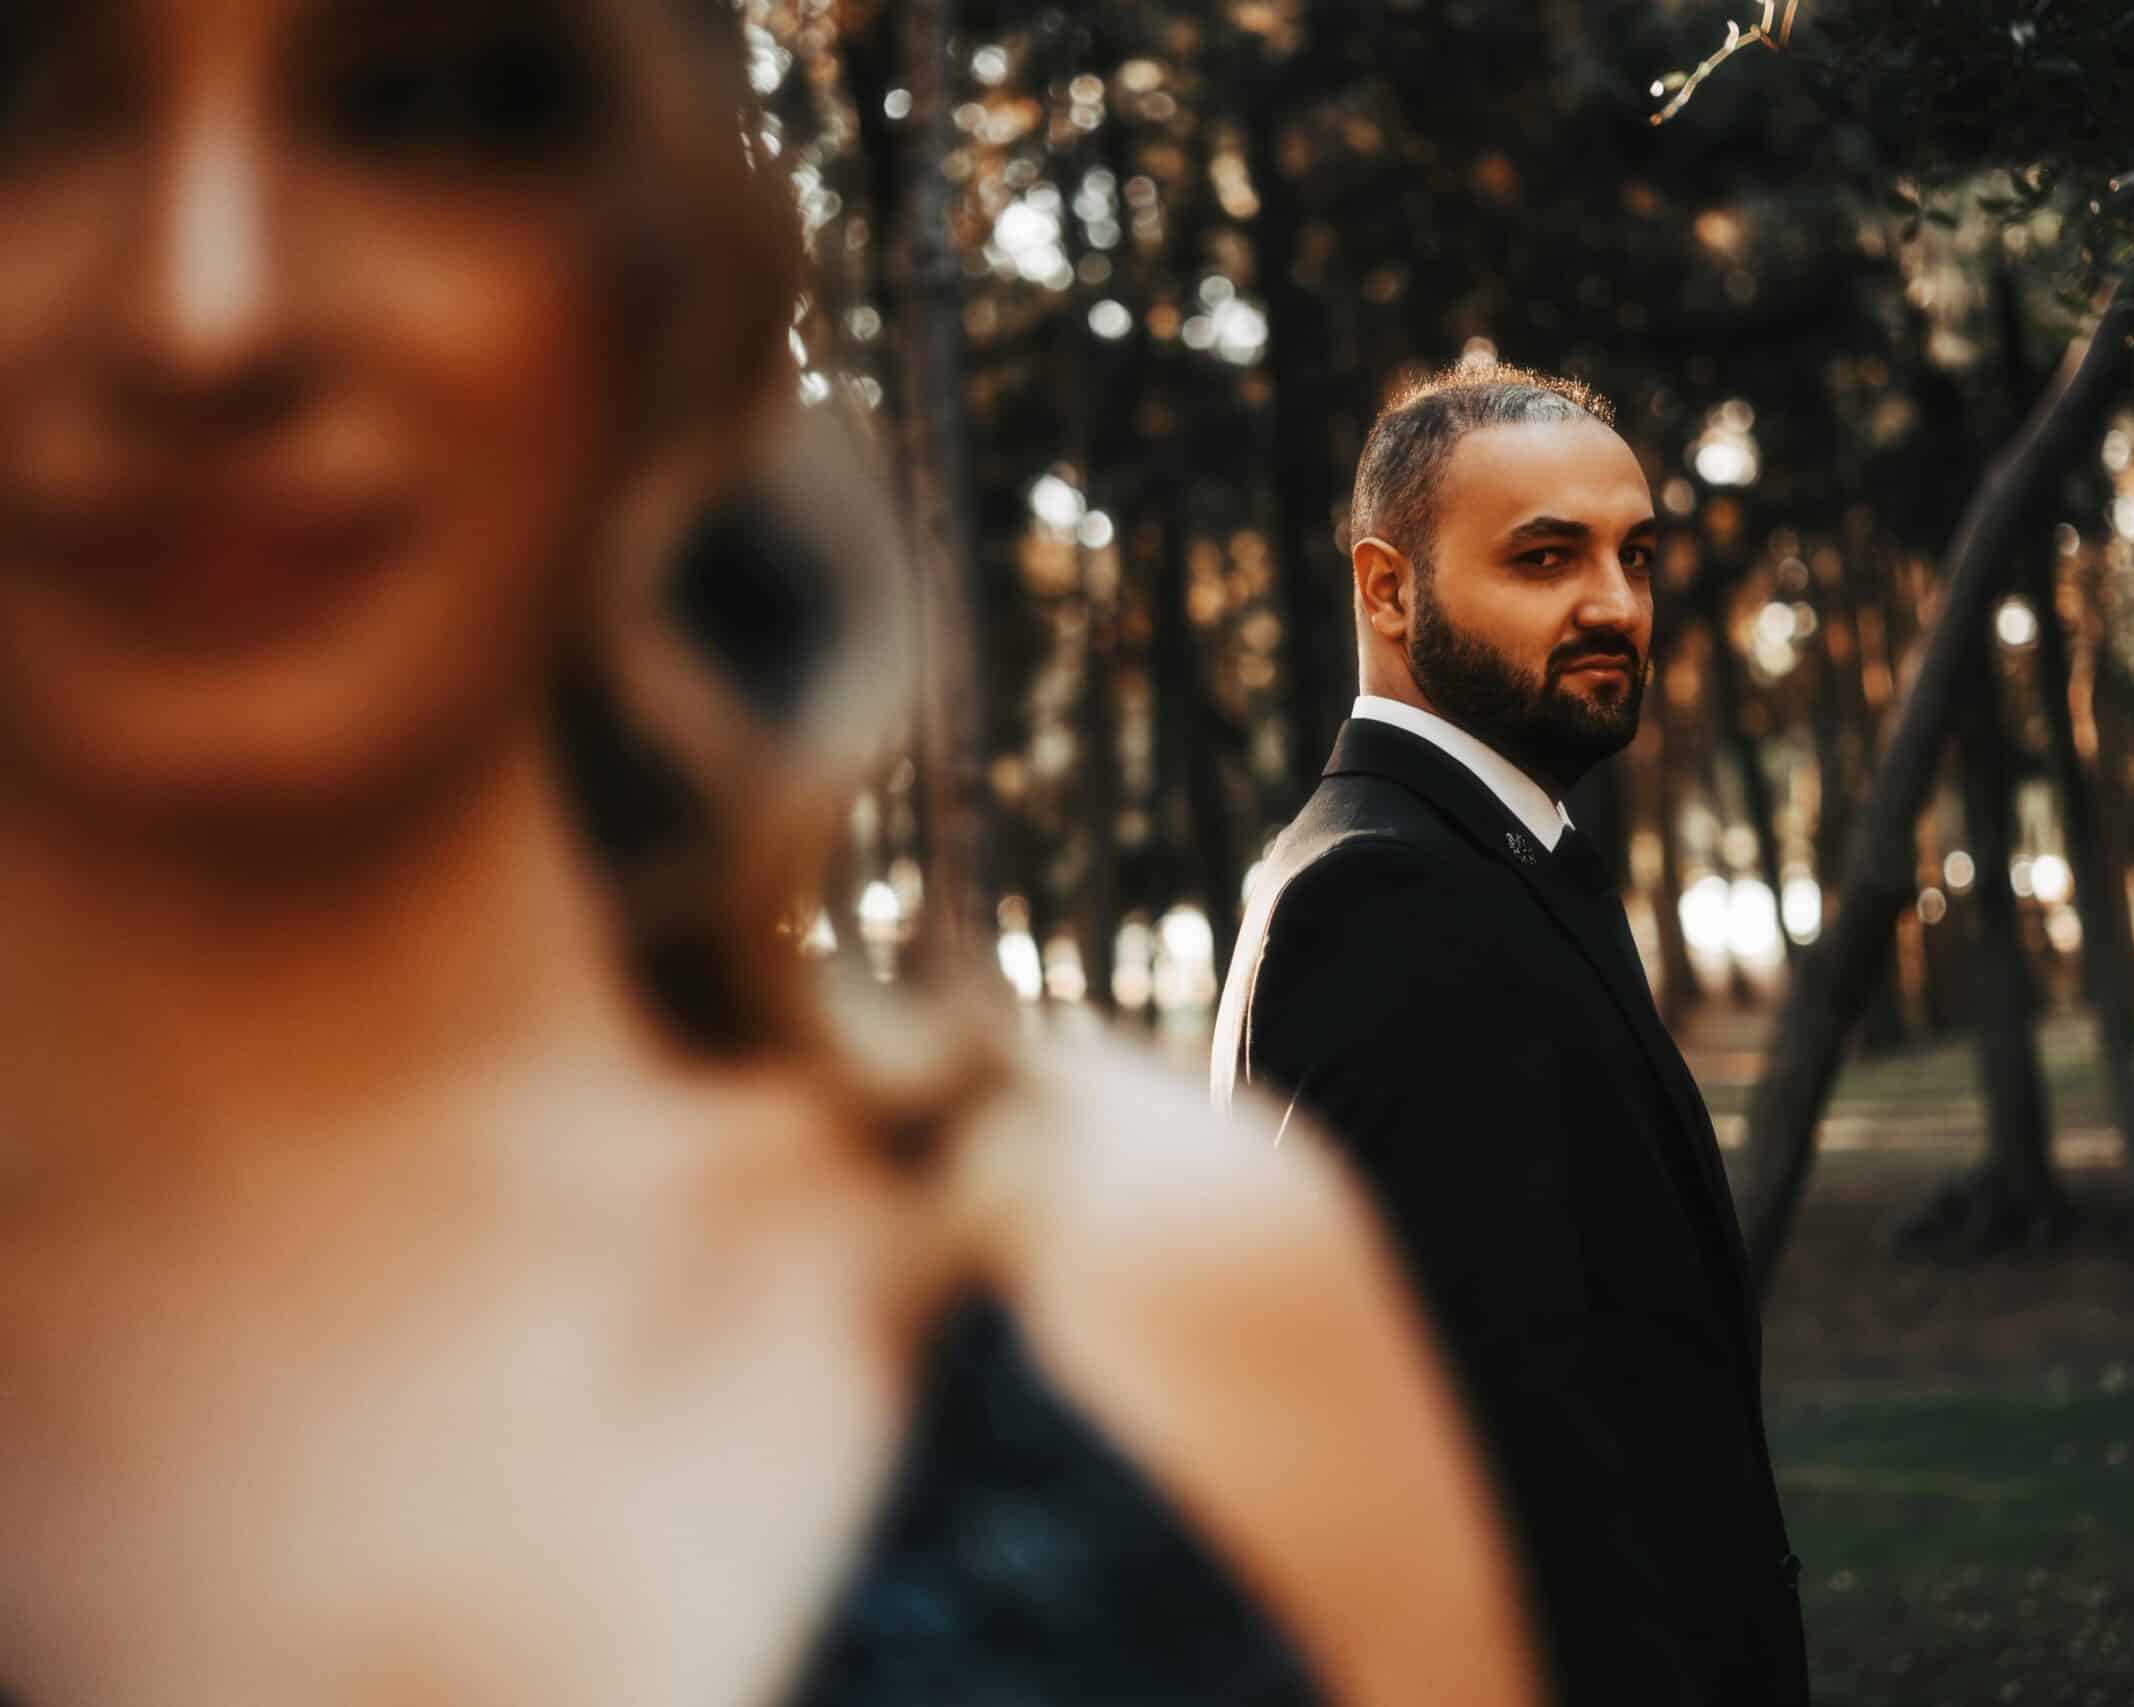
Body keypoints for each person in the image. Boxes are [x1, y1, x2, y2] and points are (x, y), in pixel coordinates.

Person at [0, 4, 1538, 1704]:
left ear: (658, 271)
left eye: (413, 104)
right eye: (25, 104)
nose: (207, 314)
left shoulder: (1176, 1333)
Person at [1213, 365, 1809, 1704]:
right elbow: (1506, 1476)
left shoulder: (1485, 865)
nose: (1615, 602)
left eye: (1636, 555)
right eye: (1546, 557)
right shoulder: (1390, 900)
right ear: (1386, 591)